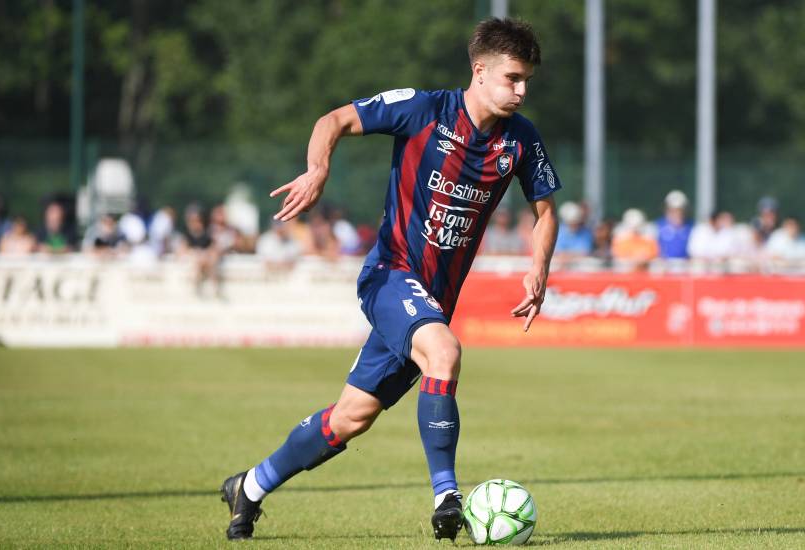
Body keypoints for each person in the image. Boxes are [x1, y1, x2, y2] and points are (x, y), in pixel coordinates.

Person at [220, 18, 560, 542]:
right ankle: (447, 496)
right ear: (480, 70)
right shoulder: (423, 109)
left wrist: (538, 266)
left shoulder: (521, 139)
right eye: (513, 77)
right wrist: (317, 170)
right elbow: (331, 120)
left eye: (527, 81)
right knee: (444, 353)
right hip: (390, 275)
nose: (522, 90)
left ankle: (251, 486)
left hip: (431, 302)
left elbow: (545, 211)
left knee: (351, 418)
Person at [655, 190, 693, 259]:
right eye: (673, 210)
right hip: (663, 266)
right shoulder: (657, 227)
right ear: (666, 210)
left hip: (686, 267)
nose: (677, 214)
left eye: (680, 210)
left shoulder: (692, 227)